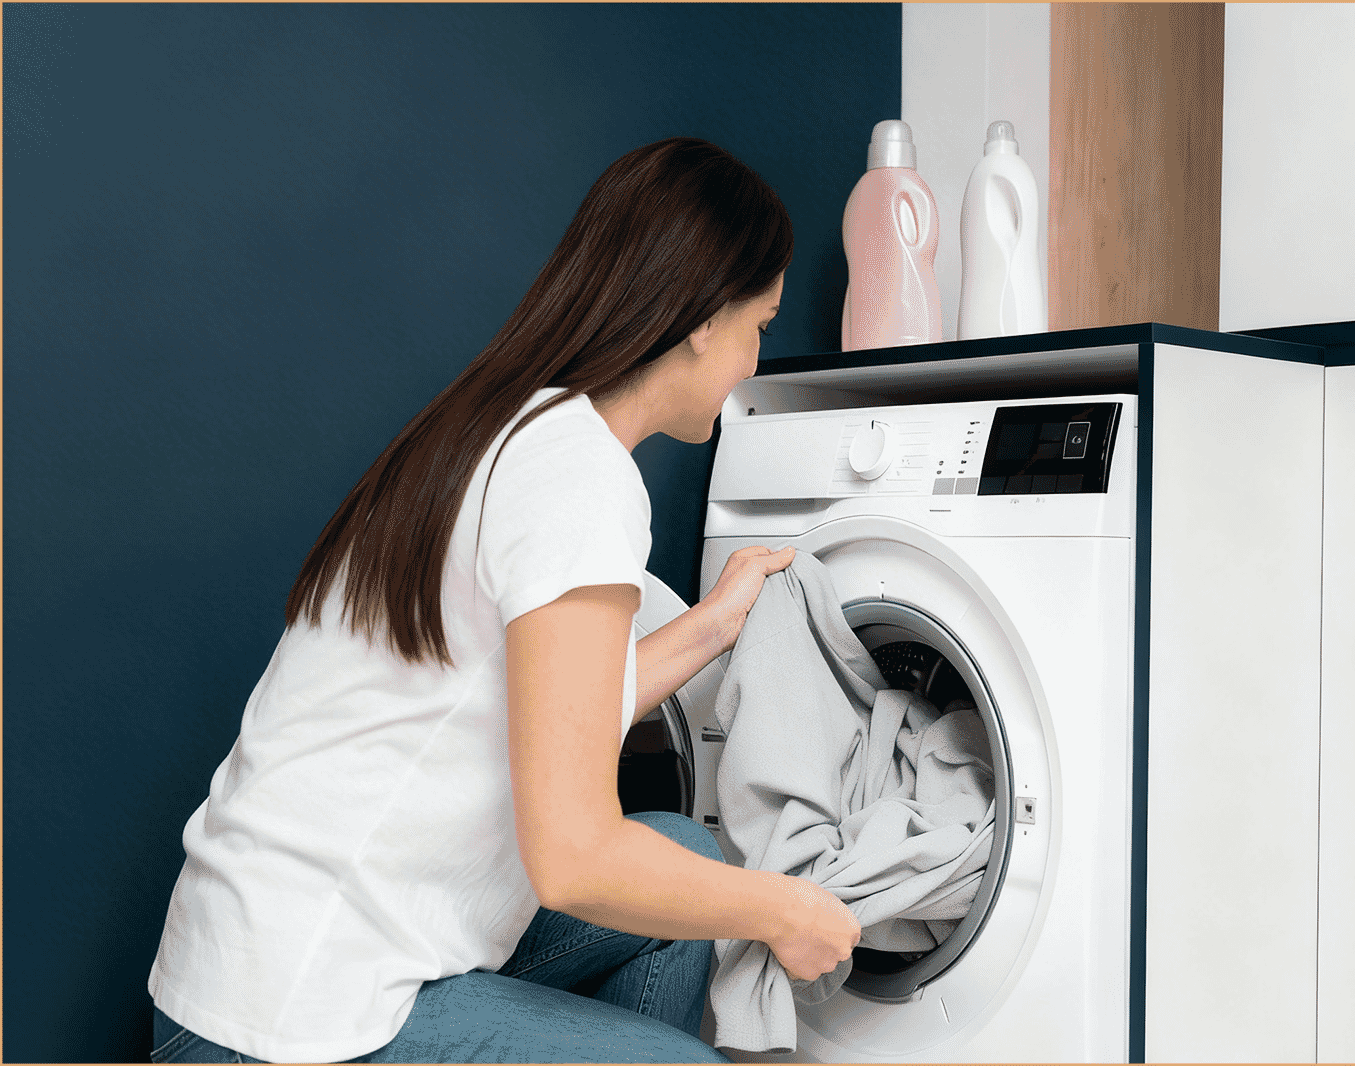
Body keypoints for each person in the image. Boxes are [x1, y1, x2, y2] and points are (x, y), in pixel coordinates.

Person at [146, 138, 861, 1064]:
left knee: (686, 852)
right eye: (757, 323)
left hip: (234, 979)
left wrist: (714, 624)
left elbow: (520, 710)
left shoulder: (503, 427)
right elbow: (573, 858)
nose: (751, 357)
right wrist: (790, 909)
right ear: (701, 319)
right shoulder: (584, 482)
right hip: (288, 1026)